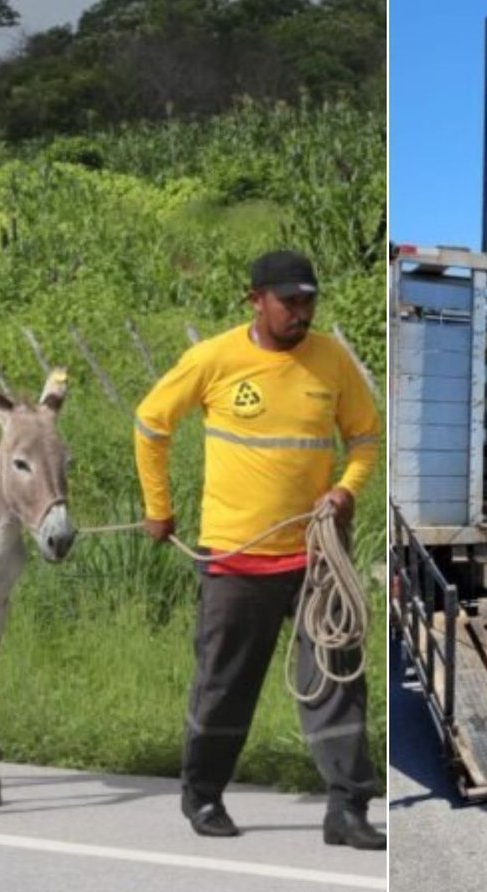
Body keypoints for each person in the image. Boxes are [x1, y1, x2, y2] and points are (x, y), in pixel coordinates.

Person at [133, 249, 384, 850]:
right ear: (256, 300)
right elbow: (150, 423)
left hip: (316, 559)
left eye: (309, 301)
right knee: (225, 681)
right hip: (236, 558)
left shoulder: (331, 360)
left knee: (336, 676)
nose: (301, 312)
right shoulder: (215, 358)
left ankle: (347, 809)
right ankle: (204, 794)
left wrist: (346, 492)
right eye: (289, 301)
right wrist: (158, 510)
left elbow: (366, 438)